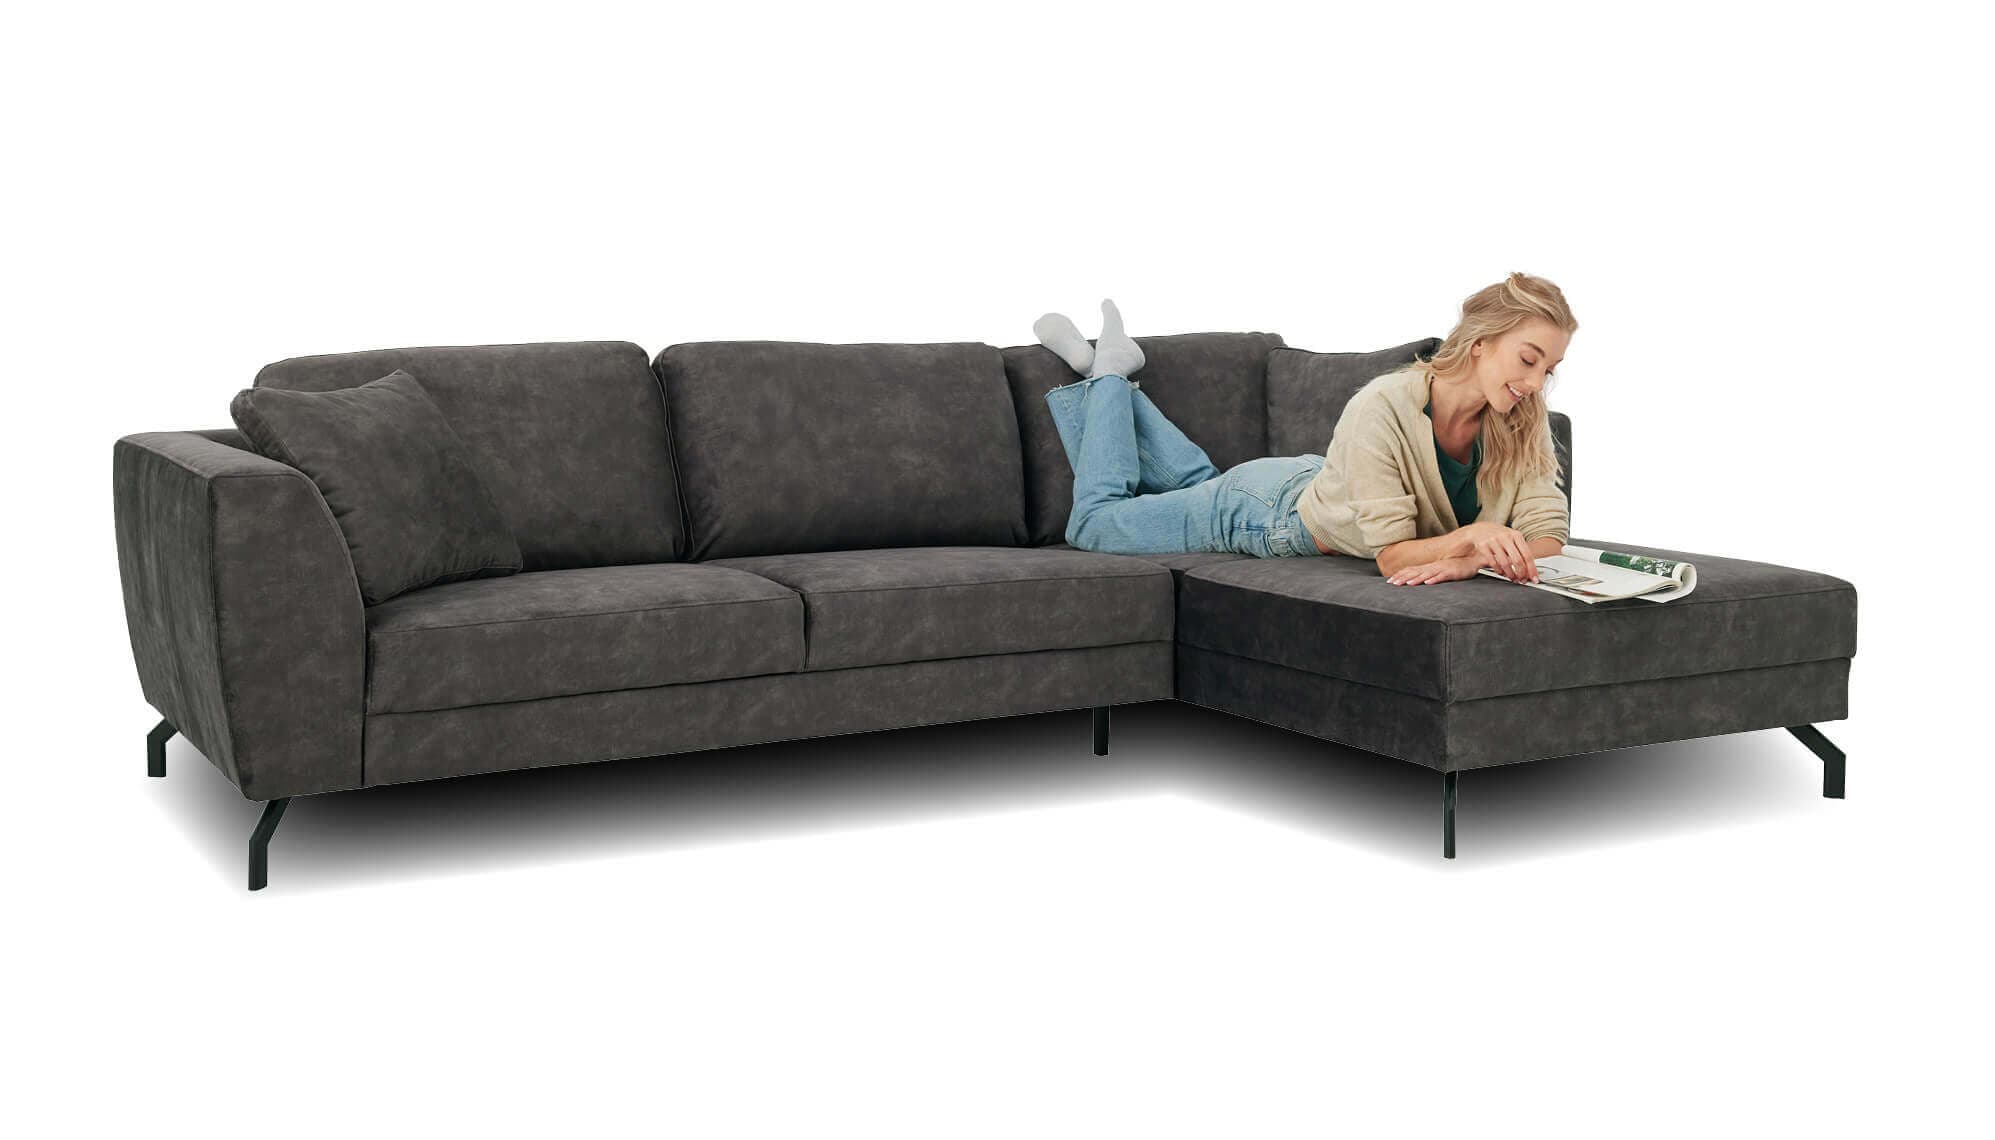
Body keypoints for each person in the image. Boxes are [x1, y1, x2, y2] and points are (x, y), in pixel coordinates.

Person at [1037, 273, 1573, 587]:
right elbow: (1392, 555)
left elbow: (1548, 533)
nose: (1535, 383)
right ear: (1480, 343)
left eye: (1548, 370)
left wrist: (1474, 559)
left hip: (1318, 485)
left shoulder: (1522, 422)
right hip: (1264, 514)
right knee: (1093, 523)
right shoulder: (1383, 406)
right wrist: (1469, 541)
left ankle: (1105, 379)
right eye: (1528, 359)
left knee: (1196, 486)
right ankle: (1110, 374)